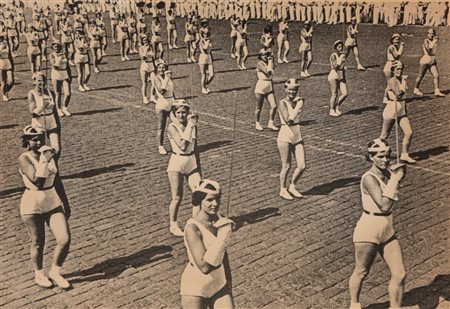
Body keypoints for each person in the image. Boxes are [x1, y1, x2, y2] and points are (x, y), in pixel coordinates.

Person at [349, 138, 407, 309]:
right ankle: (355, 304)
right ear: (371, 157)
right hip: (369, 230)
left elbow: (394, 184)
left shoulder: (388, 173)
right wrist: (396, 180)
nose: (385, 160)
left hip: (387, 229)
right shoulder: (369, 178)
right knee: (361, 272)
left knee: (400, 274)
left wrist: (401, 173)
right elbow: (384, 205)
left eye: (388, 156)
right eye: (381, 156)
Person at [18, 125, 71, 289]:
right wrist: (44, 159)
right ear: (27, 141)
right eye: (35, 139)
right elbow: (38, 182)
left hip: (52, 201)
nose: (40, 142)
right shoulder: (24, 158)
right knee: (38, 242)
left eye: (42, 138)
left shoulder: (48, 155)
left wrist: (65, 202)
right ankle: (39, 274)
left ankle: (55, 271)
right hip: (32, 204)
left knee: (64, 239)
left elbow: (57, 180)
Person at [180, 179, 235, 309]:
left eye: (217, 199)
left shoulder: (219, 220)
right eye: (209, 200)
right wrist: (222, 237)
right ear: (199, 201)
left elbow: (223, 253)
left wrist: (228, 280)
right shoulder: (192, 228)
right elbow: (204, 267)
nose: (215, 204)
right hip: (196, 287)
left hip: (219, 284)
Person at [166, 99, 202, 236]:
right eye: (179, 112)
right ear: (174, 113)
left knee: (198, 194)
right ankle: (173, 224)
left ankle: (195, 223)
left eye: (184, 112)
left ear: (188, 113)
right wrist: (190, 126)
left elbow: (195, 147)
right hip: (177, 162)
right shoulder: (172, 127)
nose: (181, 115)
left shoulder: (192, 126)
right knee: (177, 197)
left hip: (191, 162)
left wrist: (198, 167)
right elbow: (182, 146)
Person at [379, 61, 416, 164]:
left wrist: (405, 111)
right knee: (384, 135)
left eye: (401, 69)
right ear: (393, 70)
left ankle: (404, 155)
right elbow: (399, 94)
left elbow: (402, 98)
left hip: (401, 110)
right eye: (397, 69)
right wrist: (404, 83)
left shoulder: (400, 80)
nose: (399, 71)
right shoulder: (392, 81)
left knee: (409, 132)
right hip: (391, 110)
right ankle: (374, 152)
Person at [277, 78, 306, 200]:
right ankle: (282, 190)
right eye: (290, 90)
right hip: (285, 136)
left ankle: (292, 186)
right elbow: (289, 120)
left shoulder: (297, 101)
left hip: (297, 135)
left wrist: (298, 104)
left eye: (294, 90)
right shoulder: (282, 103)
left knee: (302, 165)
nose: (292, 92)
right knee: (286, 166)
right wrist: (299, 105)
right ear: (285, 89)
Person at [28, 72, 62, 160]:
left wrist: (58, 125)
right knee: (42, 150)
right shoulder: (32, 93)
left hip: (51, 121)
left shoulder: (50, 92)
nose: (42, 83)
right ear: (34, 81)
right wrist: (41, 107)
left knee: (57, 149)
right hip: (39, 123)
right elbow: (32, 113)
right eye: (39, 81)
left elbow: (55, 111)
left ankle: (54, 169)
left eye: (43, 81)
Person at [413, 29, 444, 97]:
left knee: (436, 75)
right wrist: (433, 42)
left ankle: (437, 91)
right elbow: (428, 51)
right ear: (427, 34)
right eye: (429, 33)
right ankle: (416, 89)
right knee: (421, 76)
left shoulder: (434, 40)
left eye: (432, 33)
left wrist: (434, 41)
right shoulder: (426, 40)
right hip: (425, 61)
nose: (431, 35)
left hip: (432, 60)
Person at [154, 59, 176, 155]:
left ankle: (175, 144)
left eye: (163, 67)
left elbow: (171, 90)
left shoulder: (168, 77)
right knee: (161, 127)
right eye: (159, 67)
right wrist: (167, 78)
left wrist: (176, 101)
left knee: (176, 124)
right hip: (162, 104)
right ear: (157, 69)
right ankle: (161, 147)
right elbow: (161, 91)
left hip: (171, 102)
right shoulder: (156, 78)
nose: (161, 69)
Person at [255, 48, 278, 131]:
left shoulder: (269, 63)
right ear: (260, 56)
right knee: (259, 107)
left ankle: (270, 123)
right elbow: (268, 73)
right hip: (261, 86)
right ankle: (257, 123)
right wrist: (270, 62)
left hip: (269, 85)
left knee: (274, 106)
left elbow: (272, 72)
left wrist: (271, 61)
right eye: (263, 55)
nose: (265, 56)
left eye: (266, 54)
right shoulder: (259, 64)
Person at [49, 40, 72, 117]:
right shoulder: (51, 55)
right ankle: (58, 109)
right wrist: (59, 58)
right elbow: (54, 66)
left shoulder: (64, 54)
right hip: (56, 74)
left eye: (58, 46)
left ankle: (65, 108)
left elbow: (67, 65)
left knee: (68, 93)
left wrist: (69, 75)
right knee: (58, 93)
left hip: (64, 73)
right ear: (52, 47)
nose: (57, 48)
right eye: (55, 46)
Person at [328, 40, 348, 117]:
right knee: (334, 94)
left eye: (341, 46)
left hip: (341, 75)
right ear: (336, 48)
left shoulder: (342, 55)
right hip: (334, 75)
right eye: (339, 47)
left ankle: (337, 106)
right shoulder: (333, 55)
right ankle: (331, 110)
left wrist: (344, 66)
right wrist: (340, 60)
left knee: (345, 93)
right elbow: (335, 66)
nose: (341, 48)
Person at [139, 34, 156, 104]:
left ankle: (152, 96)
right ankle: (145, 97)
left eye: (146, 40)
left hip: (151, 65)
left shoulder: (151, 46)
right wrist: (146, 49)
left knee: (154, 82)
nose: (145, 41)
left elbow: (153, 57)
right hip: (144, 66)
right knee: (145, 83)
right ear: (142, 41)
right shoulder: (141, 48)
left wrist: (155, 66)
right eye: (143, 40)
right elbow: (142, 57)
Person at [198, 30, 214, 94]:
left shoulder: (209, 41)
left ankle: (205, 84)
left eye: (207, 33)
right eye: (205, 34)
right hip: (203, 58)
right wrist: (207, 42)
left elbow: (210, 50)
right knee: (204, 75)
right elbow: (204, 49)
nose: (206, 35)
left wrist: (212, 58)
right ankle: (203, 88)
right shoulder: (201, 41)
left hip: (209, 57)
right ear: (203, 34)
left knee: (212, 75)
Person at [1, 34, 14, 102]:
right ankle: (4, 95)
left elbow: (9, 54)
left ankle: (5, 91)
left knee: (11, 81)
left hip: (8, 62)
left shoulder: (5, 43)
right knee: (3, 82)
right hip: (0, 63)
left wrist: (12, 64)